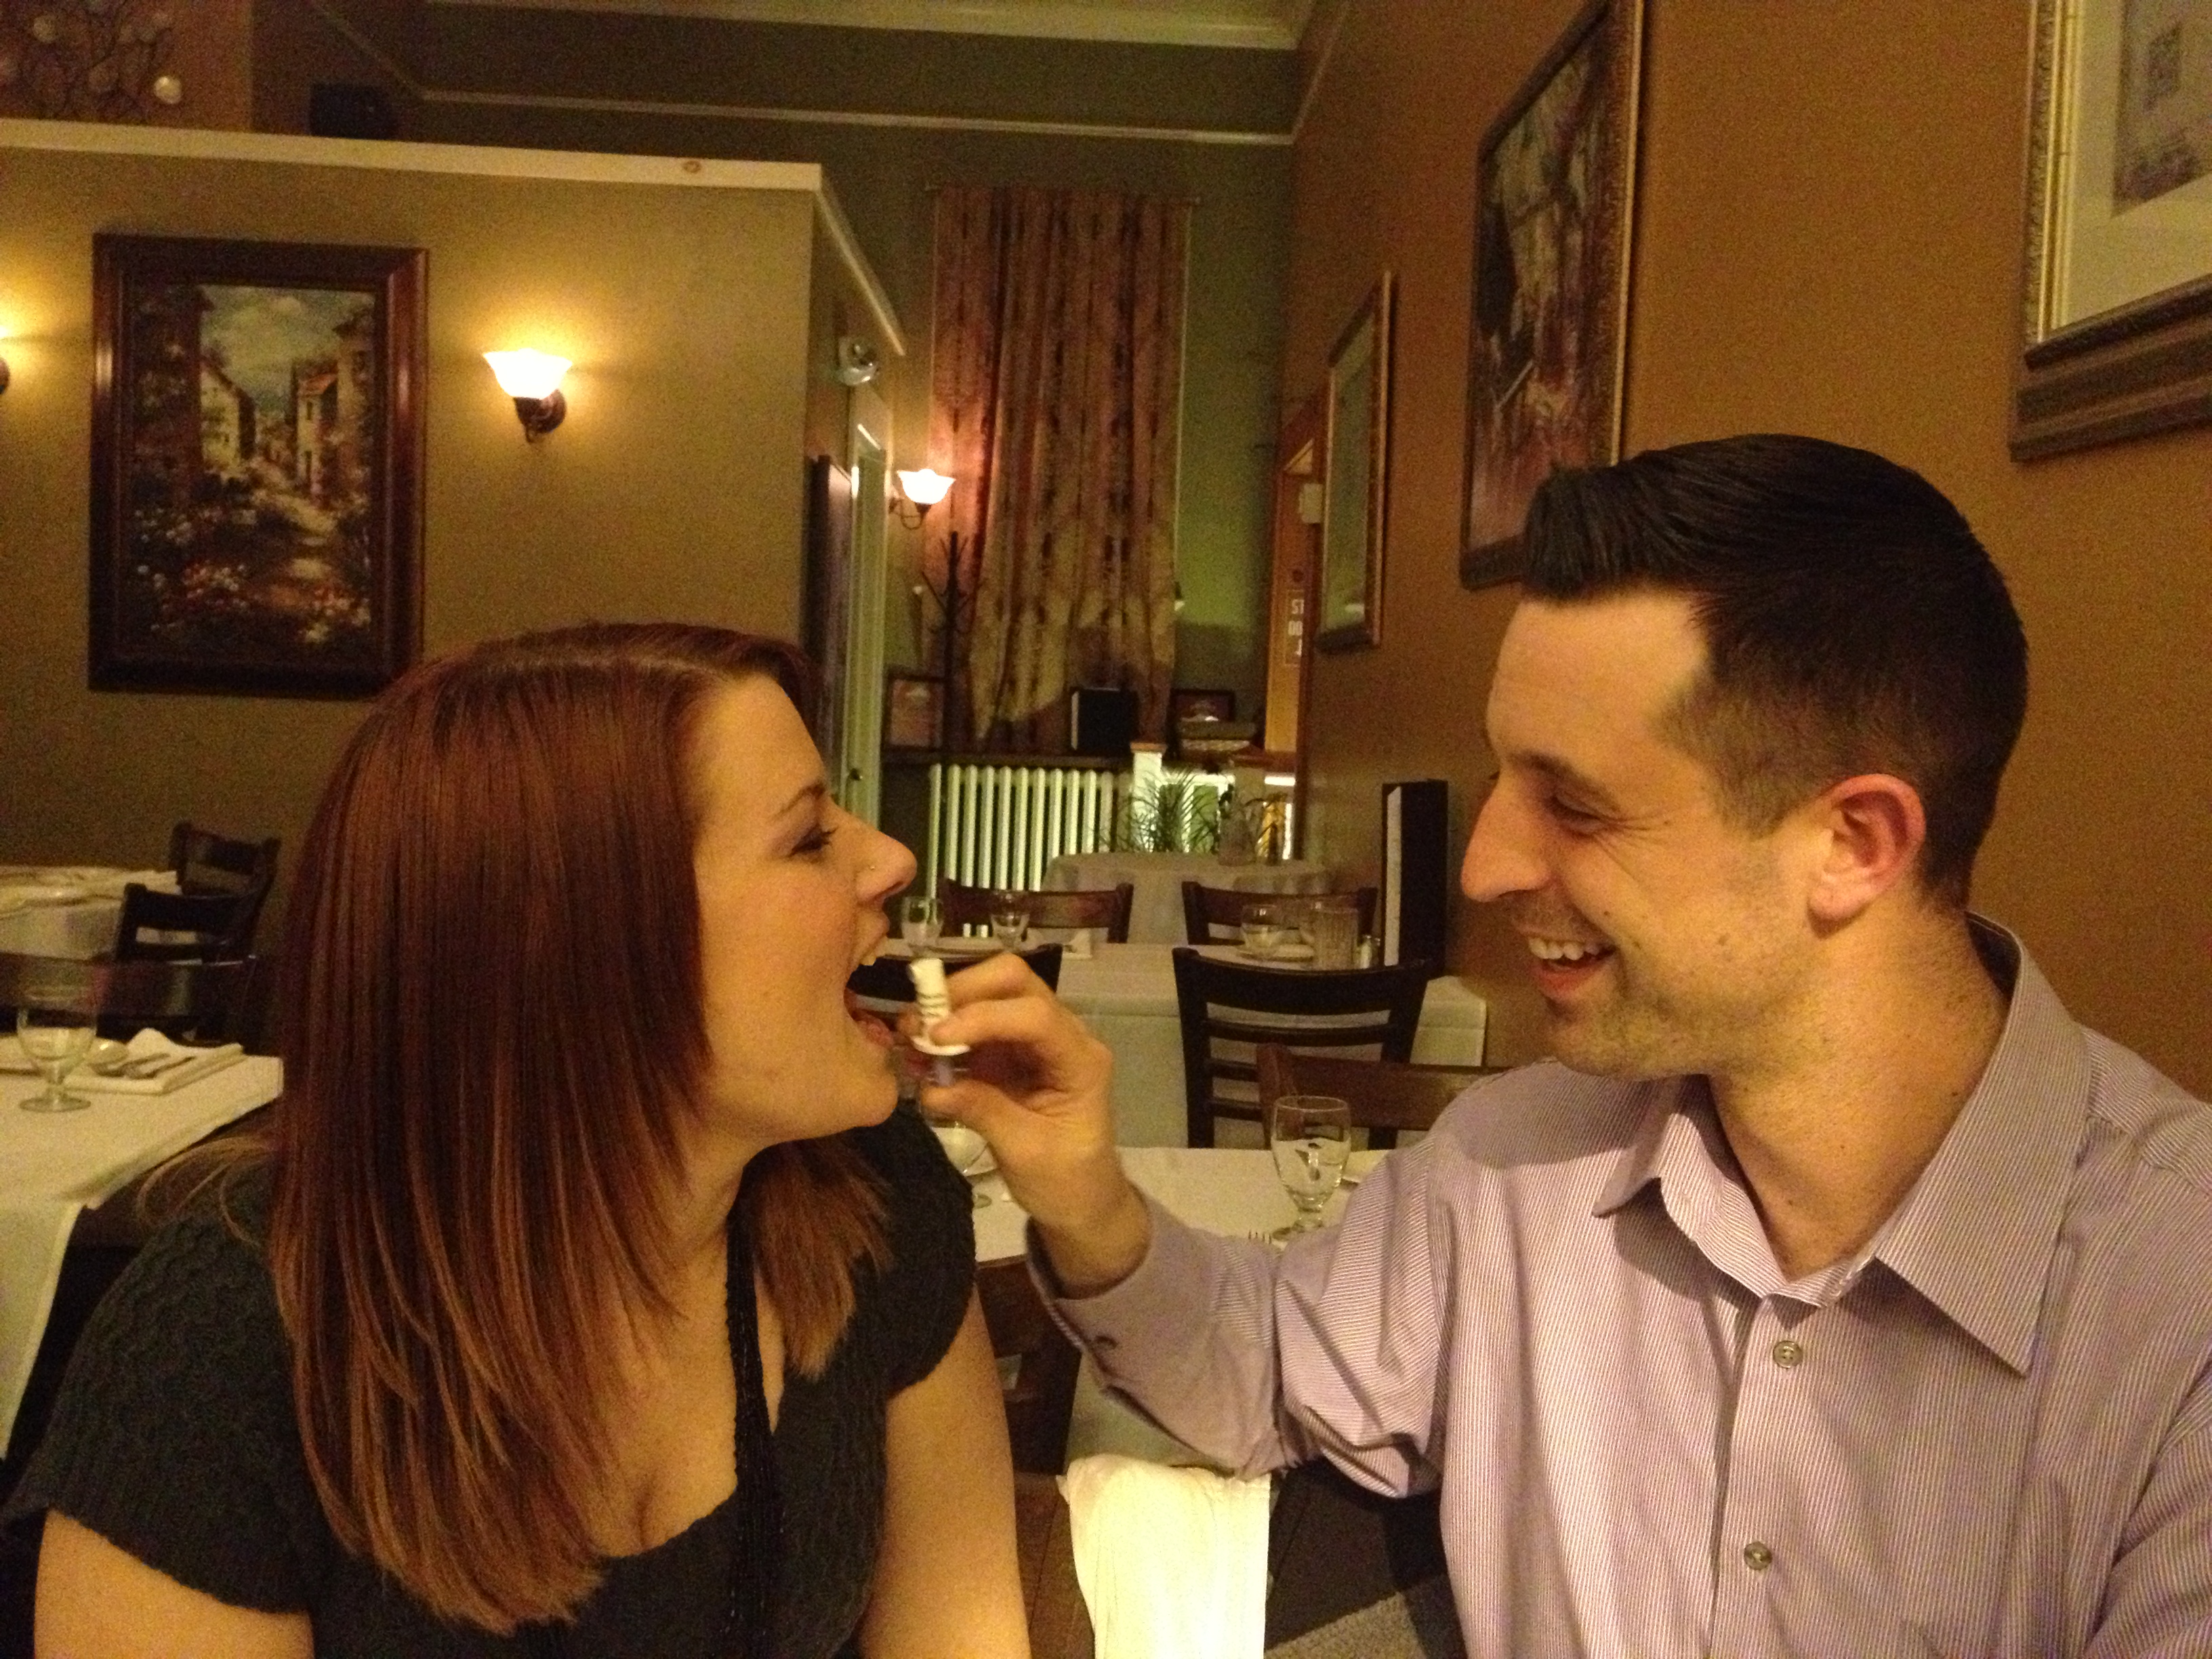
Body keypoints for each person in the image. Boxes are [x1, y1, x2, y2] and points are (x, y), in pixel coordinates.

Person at [925, 436, 2212, 1657]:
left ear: (1852, 844)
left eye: (1577, 807)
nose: (1485, 866)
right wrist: (1086, 1197)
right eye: (1503, 780)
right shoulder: (1516, 1163)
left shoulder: (2176, 1313)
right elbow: (1261, 1369)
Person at [3, 624, 1029, 1657]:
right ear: (581, 949)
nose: (892, 859)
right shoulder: (232, 1343)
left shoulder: (877, 1201)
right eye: (807, 838)